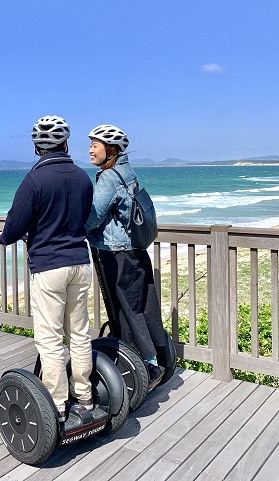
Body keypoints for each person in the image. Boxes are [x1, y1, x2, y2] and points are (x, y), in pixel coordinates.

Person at [0, 115, 95, 422]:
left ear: (37, 146)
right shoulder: (82, 176)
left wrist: (6, 236)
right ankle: (86, 396)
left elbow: (14, 225)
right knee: (79, 333)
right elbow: (85, 217)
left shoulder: (35, 180)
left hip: (50, 266)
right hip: (81, 261)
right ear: (65, 143)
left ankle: (57, 405)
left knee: (50, 338)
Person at [85, 124, 165, 390]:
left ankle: (148, 366)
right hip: (135, 250)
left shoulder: (108, 178)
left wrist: (72, 227)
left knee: (126, 309)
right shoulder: (128, 171)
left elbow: (94, 216)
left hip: (115, 253)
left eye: (95, 145)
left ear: (111, 149)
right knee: (143, 303)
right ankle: (155, 355)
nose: (90, 150)